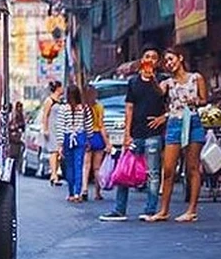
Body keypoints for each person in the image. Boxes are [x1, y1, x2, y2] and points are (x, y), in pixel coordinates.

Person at [100, 46, 167, 222]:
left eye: (154, 57)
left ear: (158, 62)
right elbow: (129, 108)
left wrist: (163, 118)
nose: (150, 60)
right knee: (124, 171)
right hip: (136, 133)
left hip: (153, 134)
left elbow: (167, 100)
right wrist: (126, 134)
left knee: (153, 174)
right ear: (141, 60)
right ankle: (119, 209)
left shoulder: (162, 80)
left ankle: (150, 210)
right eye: (147, 56)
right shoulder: (133, 82)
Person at [152, 46, 208, 222]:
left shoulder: (196, 78)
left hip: (193, 121)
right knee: (168, 169)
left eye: (171, 59)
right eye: (166, 61)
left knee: (192, 167)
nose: (169, 63)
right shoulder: (168, 82)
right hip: (174, 123)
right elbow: (158, 92)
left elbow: (204, 100)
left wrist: (196, 100)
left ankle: (192, 210)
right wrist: (151, 77)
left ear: (180, 58)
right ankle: (164, 210)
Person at [57, 84, 93, 203]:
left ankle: (71, 193)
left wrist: (60, 144)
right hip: (80, 137)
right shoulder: (84, 108)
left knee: (69, 166)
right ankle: (78, 192)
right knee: (79, 166)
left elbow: (60, 127)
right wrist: (89, 139)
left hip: (68, 138)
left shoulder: (63, 109)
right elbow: (89, 126)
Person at [81, 86, 112, 201]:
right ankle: (97, 192)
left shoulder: (82, 107)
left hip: (86, 136)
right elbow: (101, 126)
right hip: (97, 136)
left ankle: (84, 189)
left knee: (86, 165)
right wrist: (107, 143)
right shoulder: (99, 107)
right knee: (97, 167)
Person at [40, 81, 64, 186]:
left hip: (59, 128)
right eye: (61, 87)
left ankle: (55, 173)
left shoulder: (60, 101)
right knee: (53, 151)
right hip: (51, 128)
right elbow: (45, 115)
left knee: (59, 151)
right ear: (58, 88)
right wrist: (45, 129)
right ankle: (54, 174)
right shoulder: (49, 100)